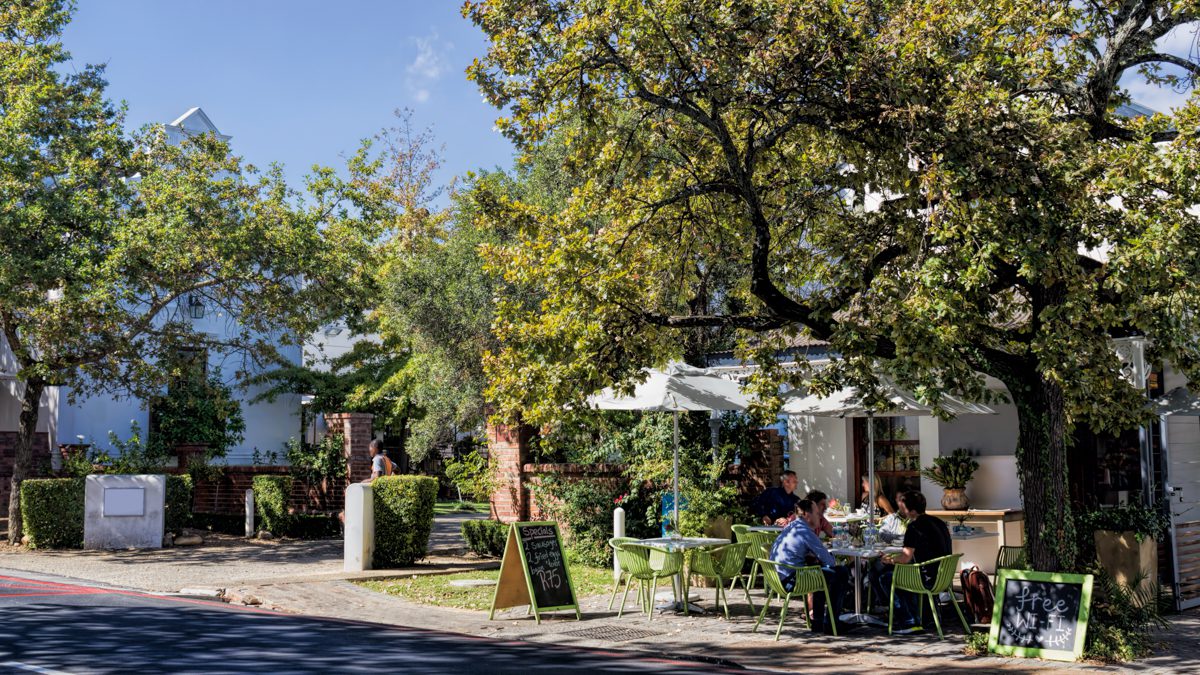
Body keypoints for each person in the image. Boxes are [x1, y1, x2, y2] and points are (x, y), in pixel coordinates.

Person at [871, 490, 952, 633]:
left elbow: (904, 558)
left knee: (886, 577)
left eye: (904, 508)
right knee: (901, 573)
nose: (903, 510)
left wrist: (888, 560)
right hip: (943, 575)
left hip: (927, 578)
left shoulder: (914, 527)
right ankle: (922, 616)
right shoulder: (939, 522)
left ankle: (908, 621)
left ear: (912, 510)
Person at [769, 499, 849, 634]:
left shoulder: (791, 527)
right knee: (841, 572)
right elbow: (830, 561)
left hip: (776, 578)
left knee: (820, 572)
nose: (820, 516)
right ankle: (832, 623)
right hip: (792, 581)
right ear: (806, 514)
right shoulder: (805, 532)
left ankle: (818, 623)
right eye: (817, 513)